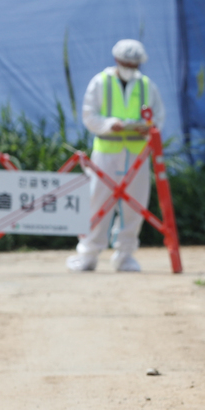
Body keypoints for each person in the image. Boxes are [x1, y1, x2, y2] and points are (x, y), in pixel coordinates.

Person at [66, 39, 165, 273]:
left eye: (134, 63)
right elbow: (89, 115)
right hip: (107, 151)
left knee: (135, 204)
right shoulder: (100, 82)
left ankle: (125, 255)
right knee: (98, 202)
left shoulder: (146, 86)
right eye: (126, 62)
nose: (130, 67)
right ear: (117, 60)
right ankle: (88, 254)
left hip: (137, 154)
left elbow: (158, 116)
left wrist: (147, 127)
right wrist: (111, 125)